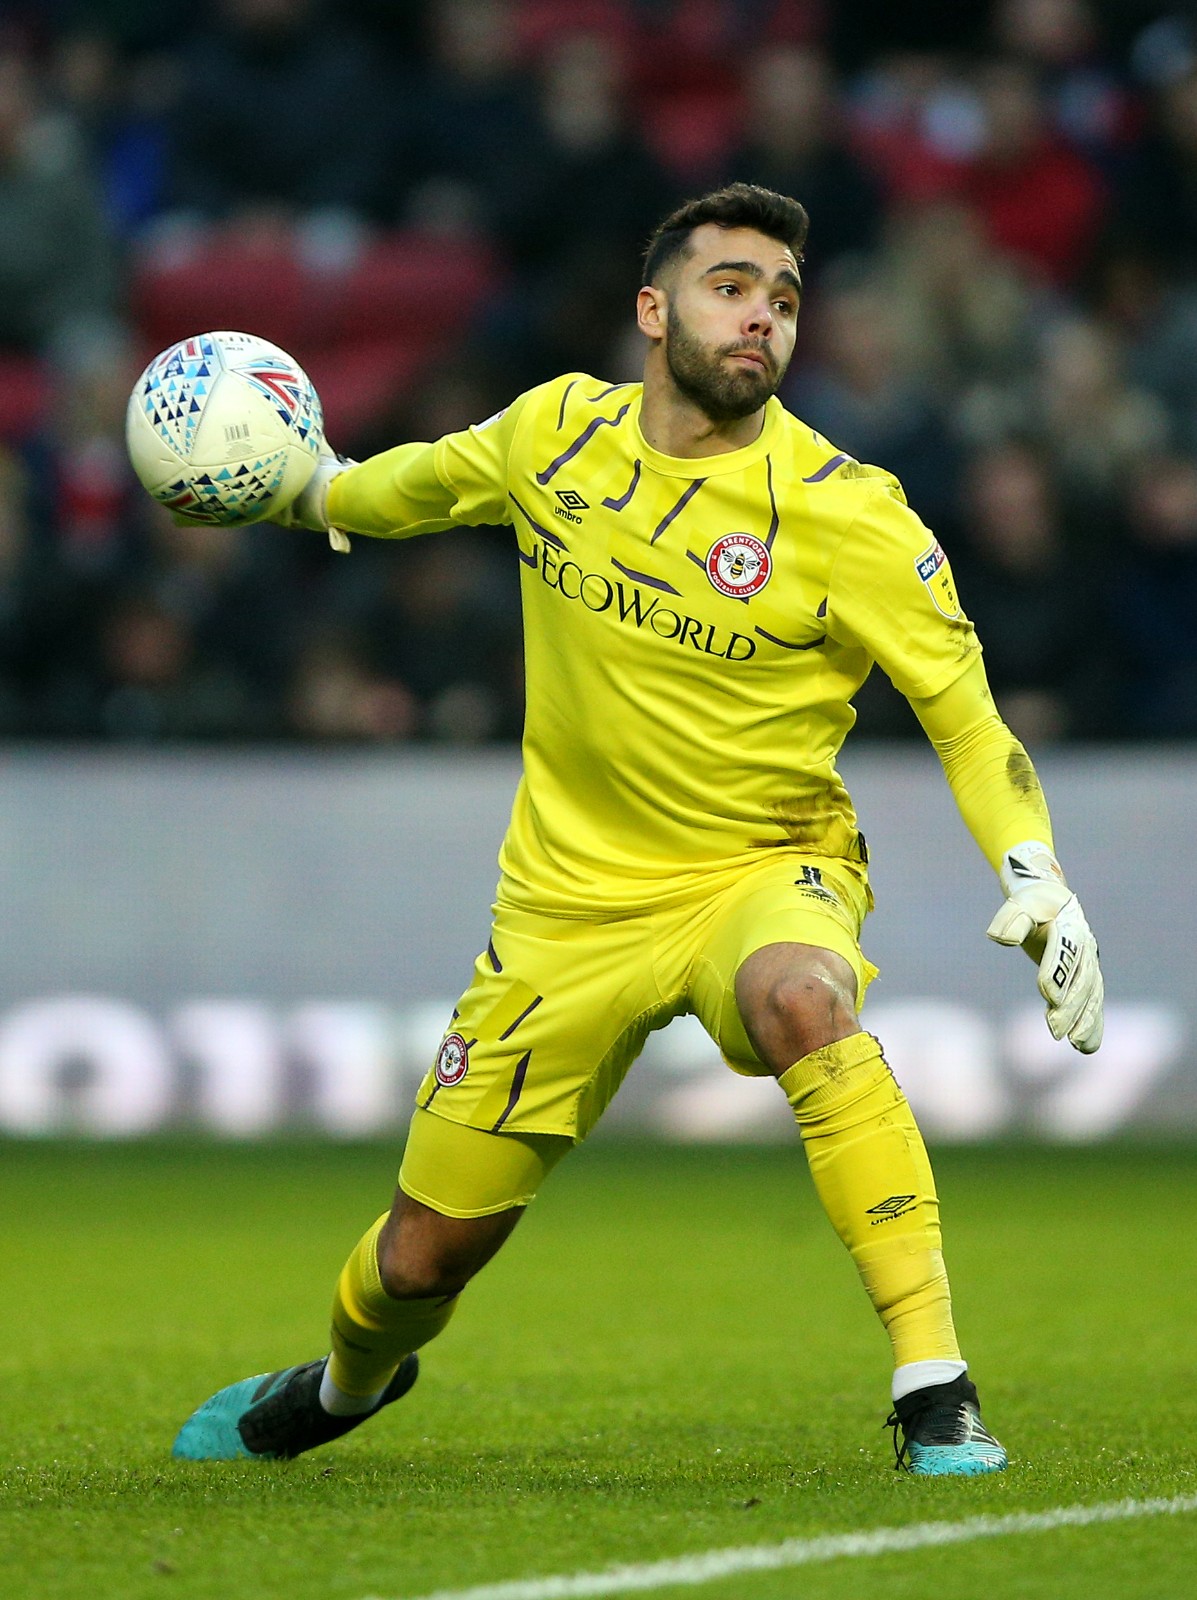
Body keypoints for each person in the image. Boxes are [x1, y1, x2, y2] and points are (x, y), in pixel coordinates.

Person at [170, 184, 1103, 1476]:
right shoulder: (555, 435)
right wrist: (292, 492)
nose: (761, 318)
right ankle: (342, 1385)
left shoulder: (851, 512)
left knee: (803, 1003)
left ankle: (933, 1385)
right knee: (419, 1254)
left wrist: (1034, 869)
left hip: (763, 869)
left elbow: (965, 714)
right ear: (653, 310)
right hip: (566, 913)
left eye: (782, 299)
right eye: (731, 287)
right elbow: (407, 489)